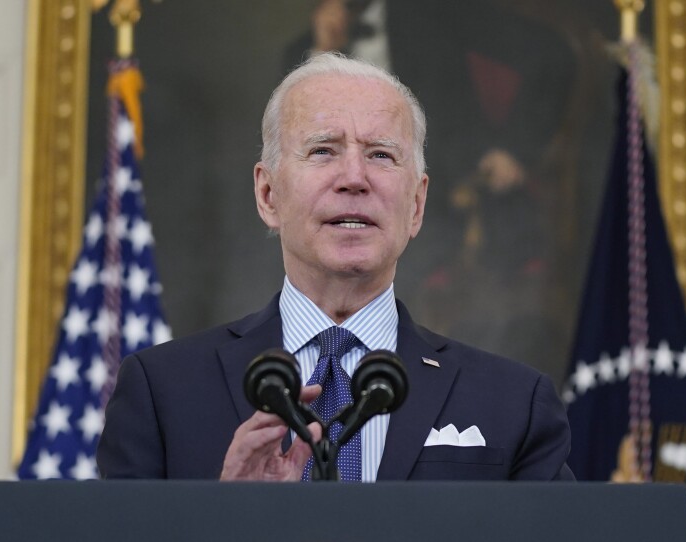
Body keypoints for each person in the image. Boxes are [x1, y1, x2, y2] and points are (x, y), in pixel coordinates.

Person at [97, 52, 574, 482]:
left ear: (417, 205)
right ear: (268, 195)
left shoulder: (516, 403)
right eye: (323, 150)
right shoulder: (161, 392)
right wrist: (230, 522)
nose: (354, 178)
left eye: (380, 155)